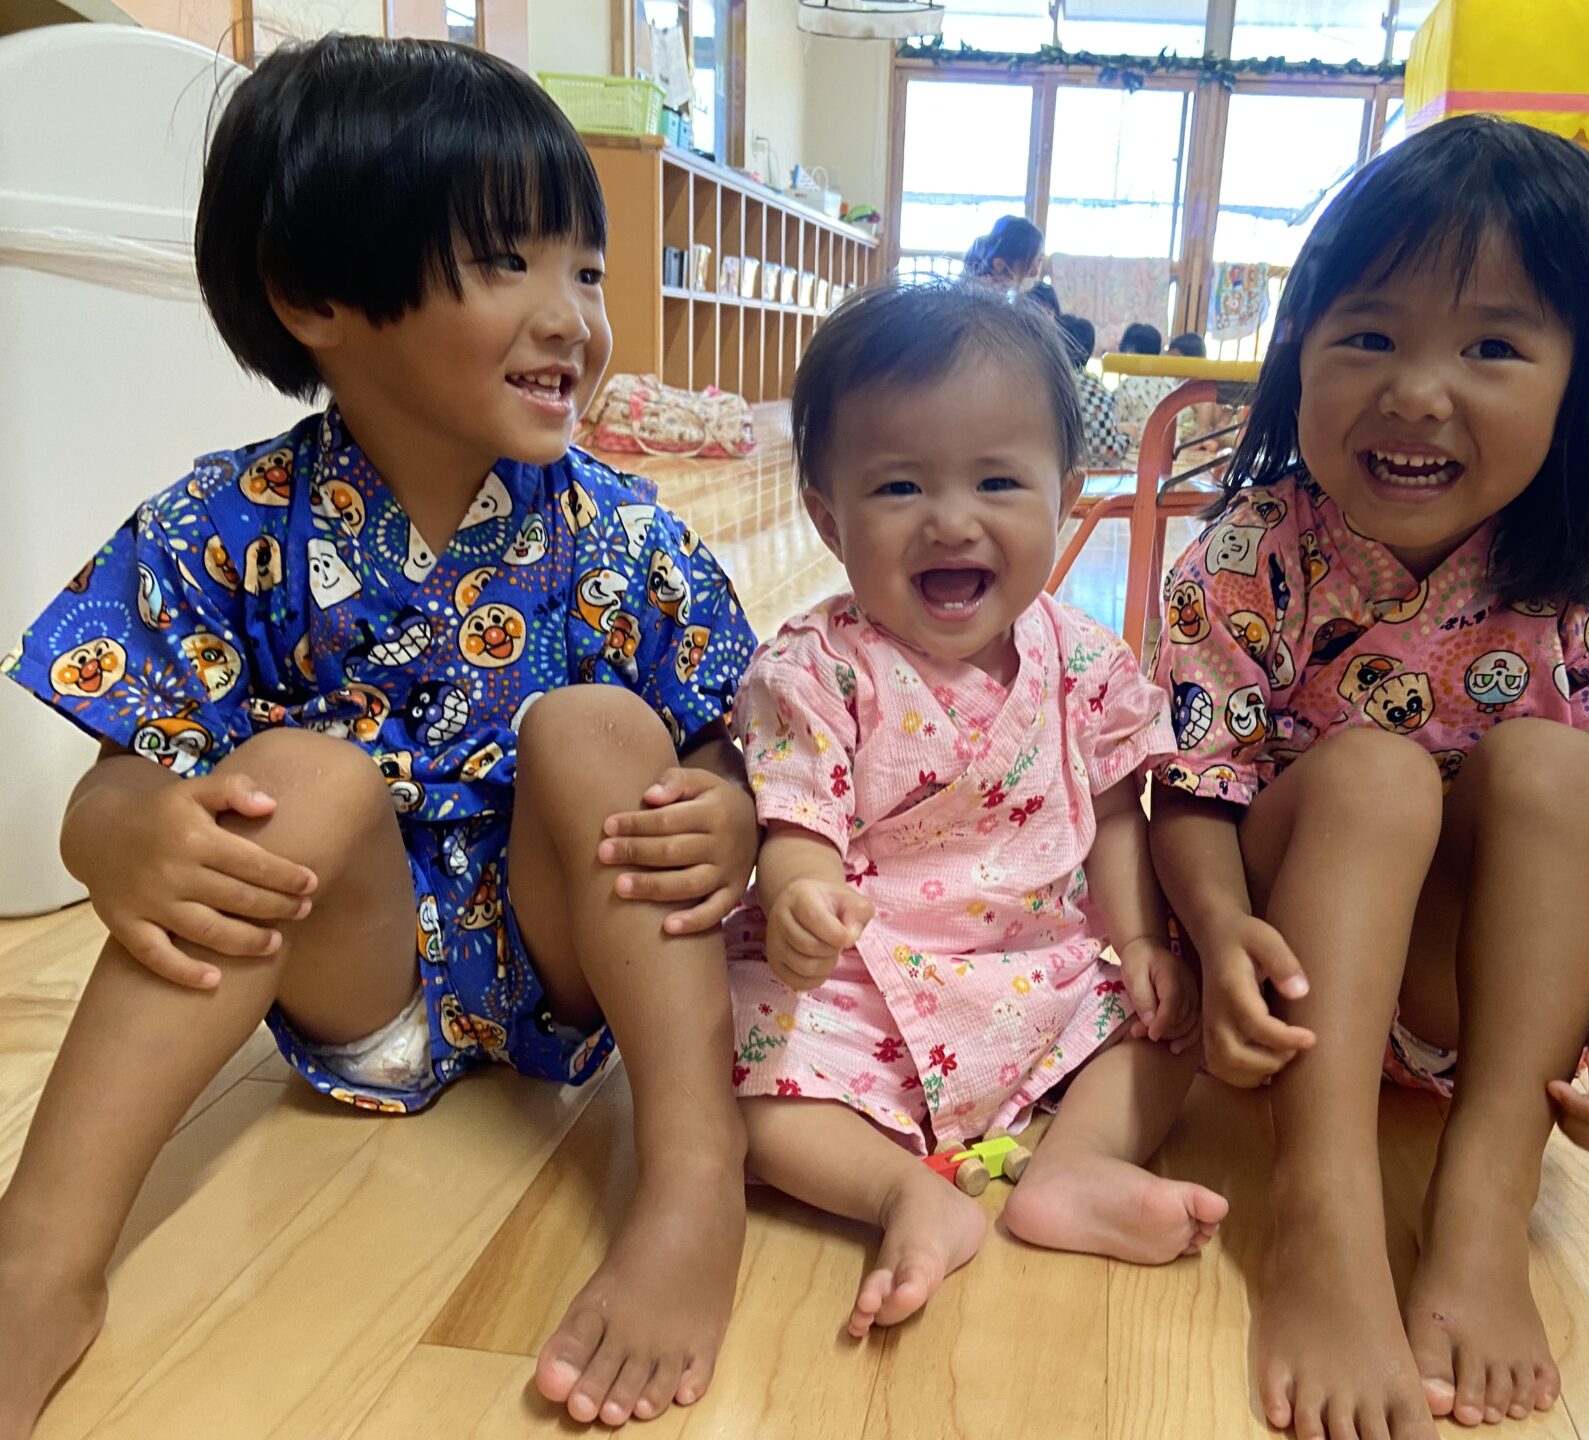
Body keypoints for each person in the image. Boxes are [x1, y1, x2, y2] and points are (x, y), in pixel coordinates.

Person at [0, 36, 760, 1437]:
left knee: (603, 727)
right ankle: (37, 1259)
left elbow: (722, 737)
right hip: (360, 993)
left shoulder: (621, 534)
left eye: (587, 271)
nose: (571, 319)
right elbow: (111, 788)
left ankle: (694, 1183)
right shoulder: (220, 523)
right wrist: (128, 837)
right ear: (316, 298)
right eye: (507, 263)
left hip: (564, 966)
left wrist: (727, 806)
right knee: (288, 779)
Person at [1148, 113, 1589, 1440]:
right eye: (1367, 334)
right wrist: (1220, 929)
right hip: (1294, 984)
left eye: (1491, 348)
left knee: (1556, 769)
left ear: (1584, 383)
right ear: (1298, 350)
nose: (1417, 392)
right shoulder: (1253, 553)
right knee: (1373, 775)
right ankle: (1322, 1217)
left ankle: (1483, 1208)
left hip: (1470, 1000)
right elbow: (1191, 784)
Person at [724, 281, 1224, 1340]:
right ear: (828, 516)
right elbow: (796, 825)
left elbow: (1118, 814)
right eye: (899, 486)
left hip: (1039, 970)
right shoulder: (817, 668)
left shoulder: (1082, 660)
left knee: (1169, 1028)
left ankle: (1075, 1168)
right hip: (863, 983)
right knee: (737, 1069)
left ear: (1066, 498)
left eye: (997, 481)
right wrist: (801, 900)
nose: (952, 520)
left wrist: (1142, 942)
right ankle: (900, 1194)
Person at [1058, 314, 1130, 466]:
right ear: (1089, 351)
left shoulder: (1038, 385)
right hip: (1090, 477)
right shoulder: (1097, 392)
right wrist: (1128, 436)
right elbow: (1109, 452)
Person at [1111, 322, 1180, 445]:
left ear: (1129, 350)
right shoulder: (1171, 385)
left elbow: (1111, 425)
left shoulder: (1128, 387)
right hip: (1168, 452)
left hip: (1136, 452)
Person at [962, 215, 1046, 294]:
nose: (1035, 272)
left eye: (1039, 261)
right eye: (1027, 265)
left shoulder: (993, 292)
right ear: (1000, 265)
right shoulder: (983, 297)